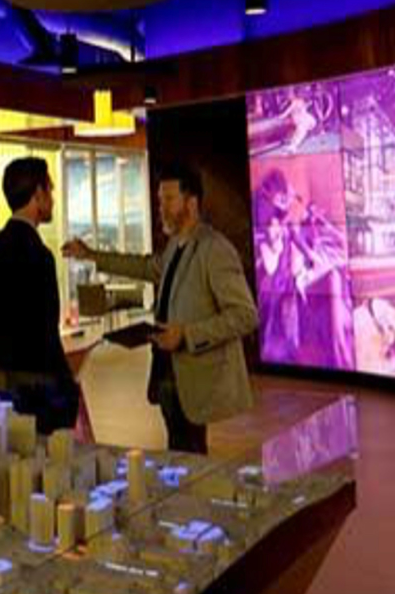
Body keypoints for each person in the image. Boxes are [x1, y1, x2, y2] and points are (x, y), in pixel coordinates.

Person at [64, 164, 257, 454]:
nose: (161, 209)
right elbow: (145, 266)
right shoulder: (175, 246)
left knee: (190, 456)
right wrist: (92, 255)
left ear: (191, 202)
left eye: (168, 199)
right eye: (159, 200)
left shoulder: (215, 249)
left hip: (194, 381)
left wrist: (187, 334)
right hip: (168, 376)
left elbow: (245, 316)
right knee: (179, 454)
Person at [0, 156, 80, 433]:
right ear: (37, 194)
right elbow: (46, 329)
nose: (52, 199)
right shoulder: (39, 255)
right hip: (40, 392)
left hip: (0, 388)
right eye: (50, 190)